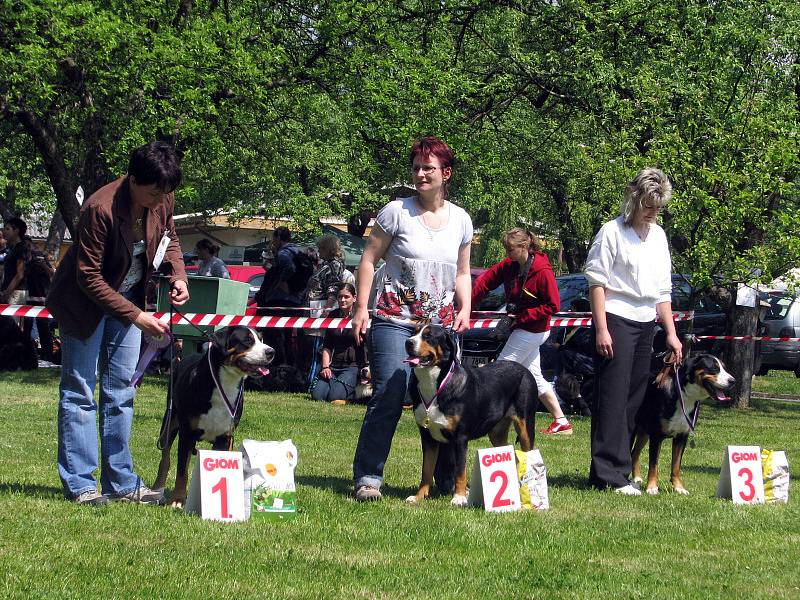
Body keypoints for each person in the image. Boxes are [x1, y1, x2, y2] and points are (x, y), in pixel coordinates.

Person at [46, 141, 189, 505]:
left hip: (128, 304)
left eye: (166, 193)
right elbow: (88, 278)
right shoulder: (99, 208)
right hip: (83, 306)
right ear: (133, 179)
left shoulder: (162, 200)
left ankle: (122, 483)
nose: (160, 200)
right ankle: (81, 484)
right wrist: (138, 316)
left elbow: (170, 238)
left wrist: (179, 276)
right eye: (154, 192)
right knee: (80, 391)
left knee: (122, 390)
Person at [351, 136, 473, 502]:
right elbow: (369, 259)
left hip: (440, 331)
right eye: (417, 168)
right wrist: (361, 307)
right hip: (394, 320)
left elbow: (463, 271)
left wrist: (466, 307)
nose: (421, 174)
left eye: (429, 168)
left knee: (448, 403)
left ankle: (450, 483)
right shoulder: (395, 212)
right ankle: (369, 478)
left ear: (445, 174)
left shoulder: (461, 221)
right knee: (389, 395)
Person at [584, 167, 682, 496]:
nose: (653, 213)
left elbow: (662, 291)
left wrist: (670, 332)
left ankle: (620, 469)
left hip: (646, 322)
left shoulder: (659, 237)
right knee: (612, 397)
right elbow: (596, 282)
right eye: (648, 206)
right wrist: (601, 330)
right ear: (633, 198)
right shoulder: (611, 231)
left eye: (658, 207)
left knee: (634, 398)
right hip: (615, 317)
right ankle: (607, 473)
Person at [472, 228, 571, 435]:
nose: (507, 253)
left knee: (501, 370)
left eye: (510, 249)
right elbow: (485, 282)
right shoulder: (509, 266)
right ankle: (562, 422)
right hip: (522, 327)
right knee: (535, 376)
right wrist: (467, 306)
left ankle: (488, 418)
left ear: (524, 247)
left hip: (533, 329)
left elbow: (553, 305)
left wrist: (523, 317)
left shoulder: (542, 271)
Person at [310, 283, 367, 404]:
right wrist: (325, 367)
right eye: (340, 297)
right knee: (317, 395)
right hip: (334, 365)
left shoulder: (360, 316)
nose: (342, 300)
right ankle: (333, 384)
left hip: (352, 366)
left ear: (354, 298)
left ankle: (351, 393)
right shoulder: (333, 315)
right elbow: (327, 345)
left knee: (334, 397)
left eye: (346, 297)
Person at [1, 217, 32, 328]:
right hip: (9, 291)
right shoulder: (13, 248)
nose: (3, 231)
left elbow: (20, 274)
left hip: (16, 293)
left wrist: (7, 293)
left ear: (16, 231)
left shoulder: (21, 248)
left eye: (7, 228)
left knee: (12, 328)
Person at [306, 234, 346, 310]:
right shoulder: (326, 264)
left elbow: (334, 288)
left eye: (321, 248)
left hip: (321, 309)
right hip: (314, 307)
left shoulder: (335, 265)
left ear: (328, 249)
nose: (318, 251)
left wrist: (327, 309)